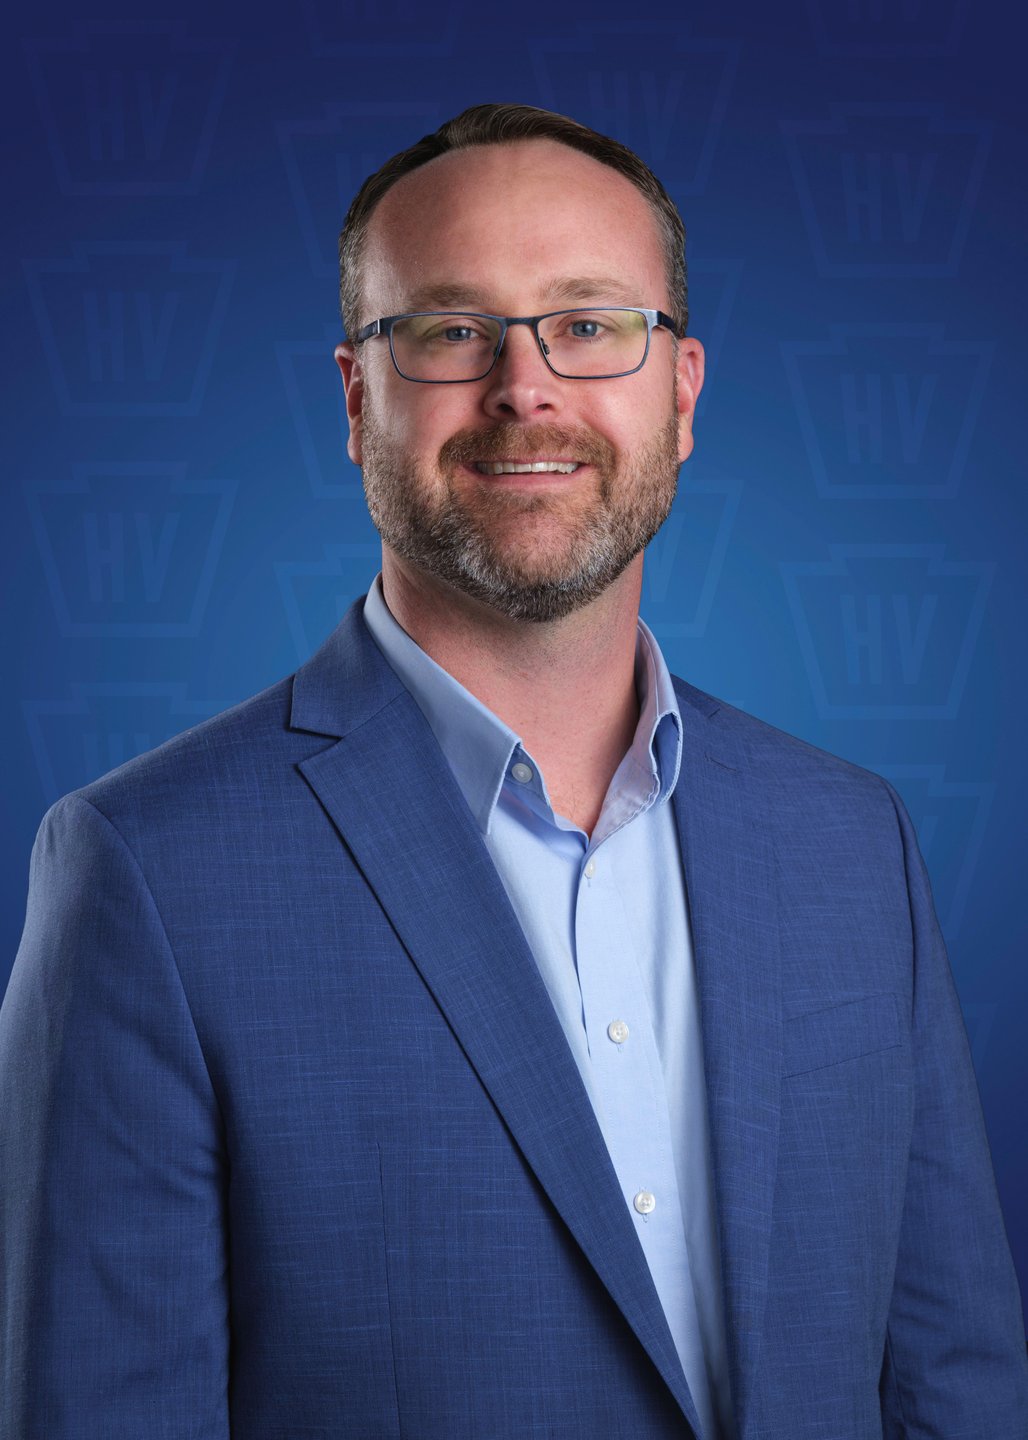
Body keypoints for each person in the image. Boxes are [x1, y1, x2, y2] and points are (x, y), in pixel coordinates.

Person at [1, 103, 1025, 1440]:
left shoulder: (852, 843)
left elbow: (954, 1388)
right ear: (360, 399)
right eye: (448, 330)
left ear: (684, 391)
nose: (525, 386)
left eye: (589, 325)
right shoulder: (144, 873)